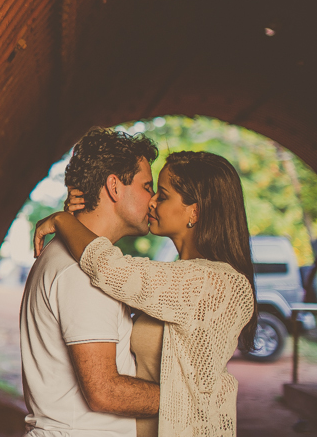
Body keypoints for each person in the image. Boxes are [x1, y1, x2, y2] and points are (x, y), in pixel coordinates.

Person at [35, 149, 258, 437]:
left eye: (162, 195)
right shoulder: (176, 277)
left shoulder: (216, 282)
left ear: (195, 211)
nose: (151, 201)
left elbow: (110, 268)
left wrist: (65, 221)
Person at [19, 127, 161, 437]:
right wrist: (191, 398)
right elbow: (104, 391)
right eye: (147, 186)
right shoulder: (81, 271)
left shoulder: (85, 259)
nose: (153, 199)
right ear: (114, 186)